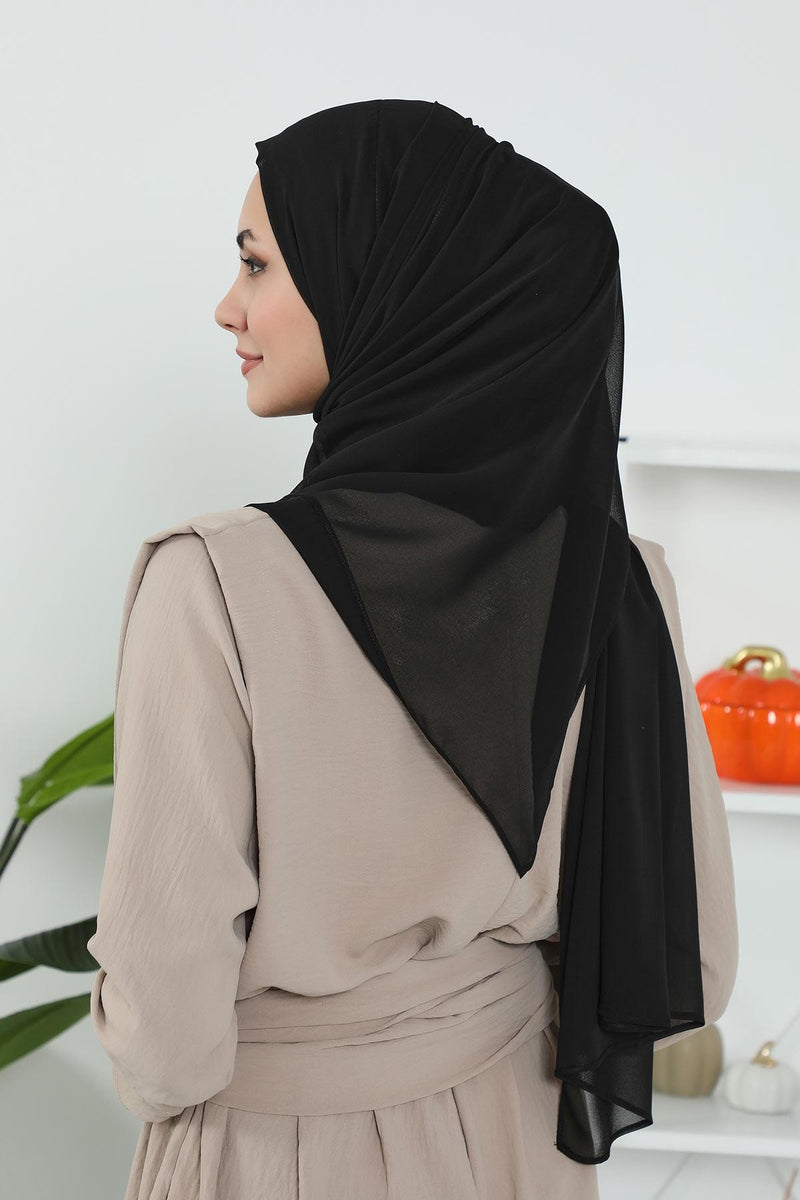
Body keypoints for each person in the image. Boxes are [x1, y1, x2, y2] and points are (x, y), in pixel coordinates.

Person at [87, 100, 738, 1200]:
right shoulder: (618, 583)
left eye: (257, 263)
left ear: (383, 284)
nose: (226, 305)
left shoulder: (214, 587)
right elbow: (696, 962)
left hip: (278, 1153)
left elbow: (167, 1044)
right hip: (519, 1145)